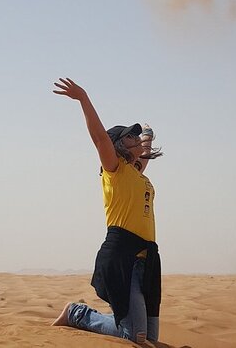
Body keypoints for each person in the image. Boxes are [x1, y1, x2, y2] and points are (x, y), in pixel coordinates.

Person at [51, 77, 163, 345]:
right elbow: (100, 138)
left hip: (146, 258)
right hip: (122, 255)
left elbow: (144, 149)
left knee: (149, 337)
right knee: (133, 336)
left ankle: (104, 319)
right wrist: (83, 98)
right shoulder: (114, 170)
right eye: (130, 135)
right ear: (119, 145)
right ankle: (77, 313)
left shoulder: (136, 173)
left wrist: (146, 134)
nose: (136, 138)